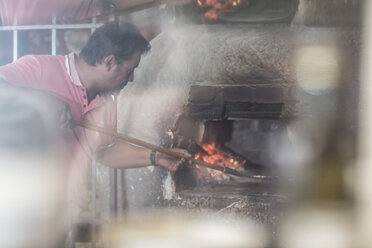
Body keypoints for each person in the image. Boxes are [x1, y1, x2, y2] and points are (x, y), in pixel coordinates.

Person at [0, 21, 189, 179]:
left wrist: (157, 157)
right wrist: (39, 98)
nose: (130, 78)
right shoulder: (39, 67)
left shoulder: (107, 101)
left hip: (57, 202)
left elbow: (104, 152)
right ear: (109, 61)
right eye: (130, 70)